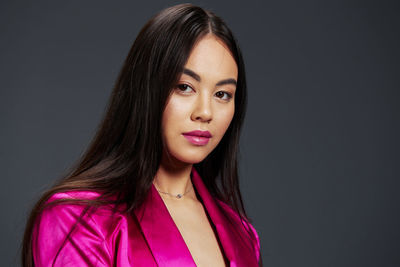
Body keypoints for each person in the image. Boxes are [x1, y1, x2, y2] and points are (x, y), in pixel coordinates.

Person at [22, 3, 262, 267]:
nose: (205, 112)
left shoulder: (242, 233)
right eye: (184, 87)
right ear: (146, 90)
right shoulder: (77, 218)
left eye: (222, 94)